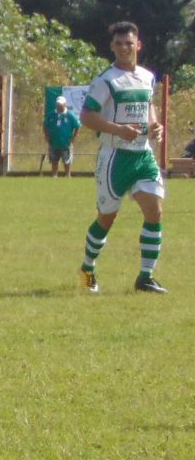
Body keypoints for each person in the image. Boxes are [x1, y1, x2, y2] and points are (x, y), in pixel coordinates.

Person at [78, 20, 166, 294]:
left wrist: (155, 126)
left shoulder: (147, 76)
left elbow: (148, 105)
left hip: (142, 156)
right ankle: (87, 271)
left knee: (155, 211)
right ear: (112, 47)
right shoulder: (106, 80)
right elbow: (87, 116)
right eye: (119, 44)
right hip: (114, 157)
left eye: (129, 43)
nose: (124, 48)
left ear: (138, 45)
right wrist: (118, 129)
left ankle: (145, 277)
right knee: (107, 218)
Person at [45, 96, 80, 177]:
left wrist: (73, 138)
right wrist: (46, 136)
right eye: (57, 104)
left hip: (66, 143)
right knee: (54, 161)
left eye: (60, 104)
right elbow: (45, 125)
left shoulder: (70, 115)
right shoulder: (51, 115)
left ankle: (67, 175)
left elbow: (77, 127)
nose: (59, 106)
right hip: (54, 143)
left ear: (65, 104)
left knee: (67, 161)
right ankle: (54, 176)